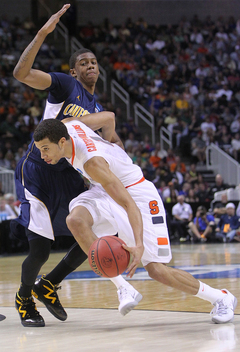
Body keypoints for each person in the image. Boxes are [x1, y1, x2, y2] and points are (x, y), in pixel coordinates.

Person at [34, 116, 237, 324]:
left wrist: (138, 245)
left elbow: (129, 204)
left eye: (45, 149)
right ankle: (124, 287)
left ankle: (221, 298)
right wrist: (114, 144)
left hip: (137, 195)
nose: (42, 155)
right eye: (40, 149)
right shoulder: (67, 124)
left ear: (62, 142)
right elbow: (109, 117)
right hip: (103, 188)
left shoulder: (92, 162)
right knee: (75, 220)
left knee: (156, 270)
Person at [12, 4, 141, 327]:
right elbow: (21, 74)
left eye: (94, 62)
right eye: (83, 62)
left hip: (70, 176)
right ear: (73, 71)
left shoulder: (96, 108)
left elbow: (112, 142)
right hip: (39, 170)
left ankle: (50, 284)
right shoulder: (64, 86)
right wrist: (42, 34)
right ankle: (24, 297)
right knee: (40, 250)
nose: (90, 66)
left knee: (95, 235)